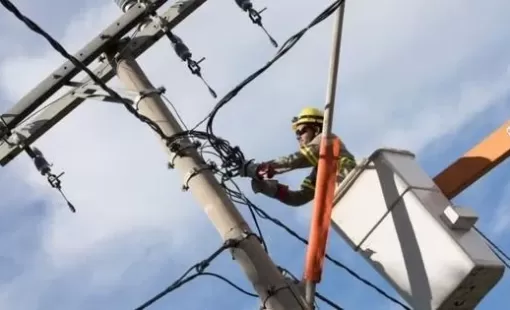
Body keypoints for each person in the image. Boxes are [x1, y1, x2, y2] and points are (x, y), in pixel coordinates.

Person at [241, 107, 357, 207]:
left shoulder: (326, 139)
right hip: (346, 201)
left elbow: (295, 160)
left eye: (301, 131)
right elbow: (299, 198)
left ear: (316, 130)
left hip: (354, 187)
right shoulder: (321, 168)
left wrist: (259, 169)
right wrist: (269, 189)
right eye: (296, 134)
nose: (298, 137)